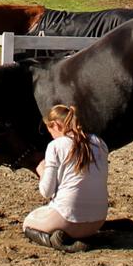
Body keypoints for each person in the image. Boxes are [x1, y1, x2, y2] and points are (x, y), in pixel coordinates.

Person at [23, 104, 109, 253]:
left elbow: (46, 192)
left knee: (28, 224)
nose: (51, 135)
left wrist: (42, 170)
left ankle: (58, 242)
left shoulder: (56, 145)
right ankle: (82, 237)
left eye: (50, 130)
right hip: (98, 220)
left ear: (55, 125)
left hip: (67, 219)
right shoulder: (99, 142)